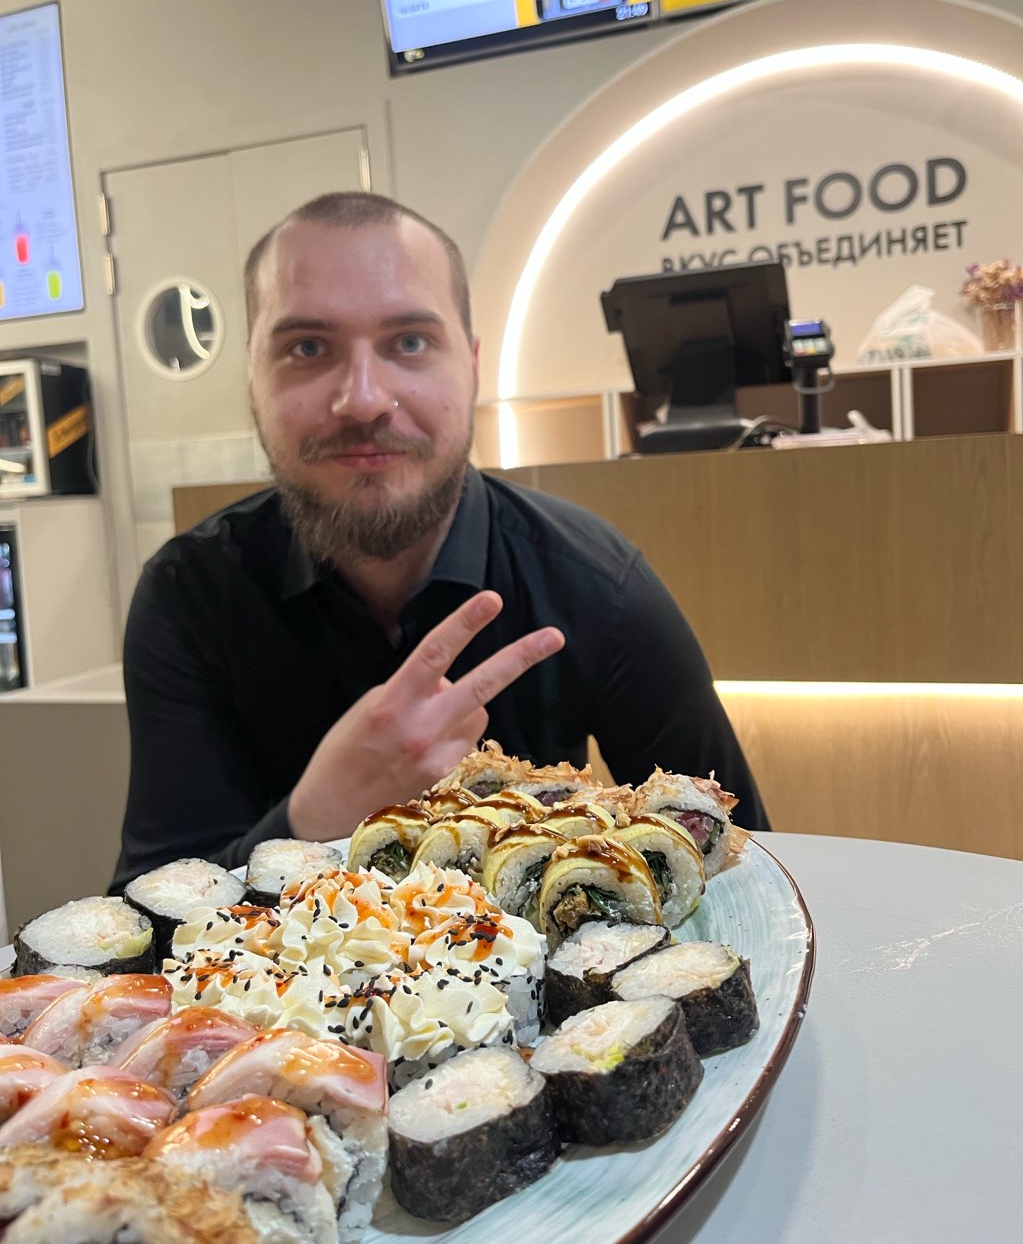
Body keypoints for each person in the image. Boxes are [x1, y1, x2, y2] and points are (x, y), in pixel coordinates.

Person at [111, 192, 769, 889]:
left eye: (409, 342)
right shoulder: (188, 594)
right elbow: (140, 917)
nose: (364, 398)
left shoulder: (600, 588)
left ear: (472, 365)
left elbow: (747, 874)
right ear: (252, 376)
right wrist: (314, 817)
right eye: (307, 347)